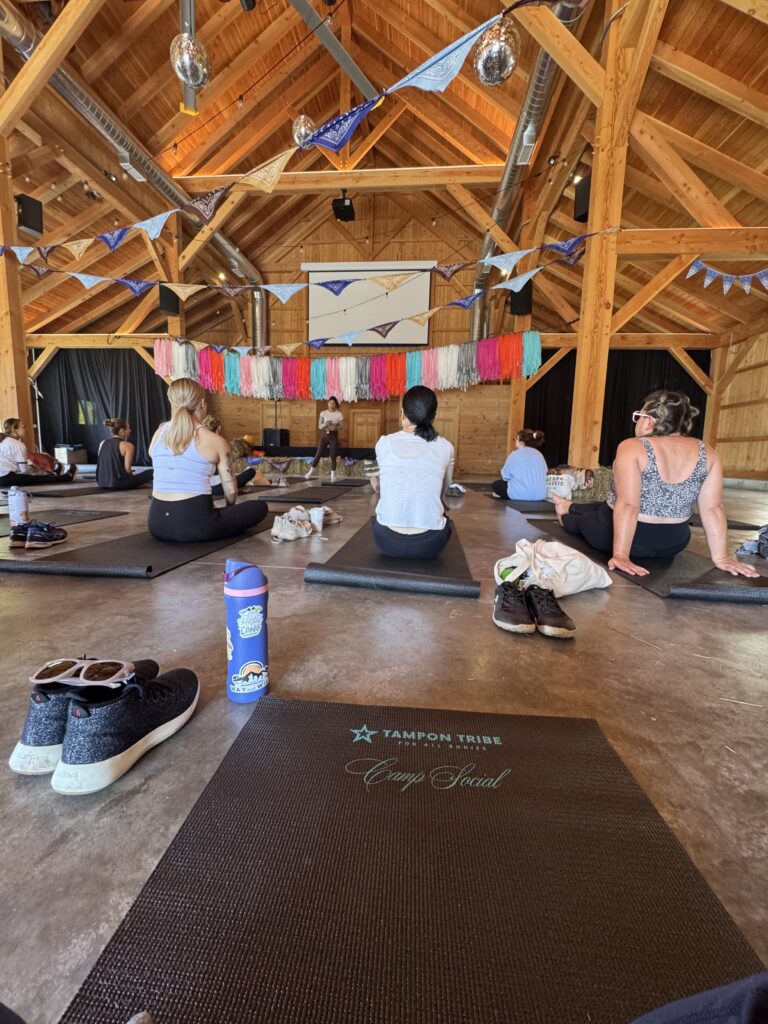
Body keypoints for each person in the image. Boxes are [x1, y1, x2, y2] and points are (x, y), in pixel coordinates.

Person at [554, 389, 760, 578]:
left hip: (629, 540)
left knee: (584, 522)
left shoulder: (632, 447)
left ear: (649, 422)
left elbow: (629, 505)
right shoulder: (709, 453)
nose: (637, 421)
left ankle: (565, 513)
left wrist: (621, 555)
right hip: (674, 542)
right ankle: (569, 505)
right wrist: (722, 557)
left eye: (639, 416)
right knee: (603, 506)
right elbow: (713, 508)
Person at [147, 379, 267, 543]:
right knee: (259, 507)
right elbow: (231, 492)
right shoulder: (214, 440)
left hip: (156, 524)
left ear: (171, 402)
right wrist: (228, 512)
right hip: (195, 526)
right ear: (203, 404)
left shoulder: (159, 433)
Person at [372, 385, 454, 560]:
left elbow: (381, 484)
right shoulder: (445, 447)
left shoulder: (383, 443)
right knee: (446, 519)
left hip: (385, 541)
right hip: (429, 544)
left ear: (402, 412)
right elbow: (444, 491)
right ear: (434, 416)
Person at [0, 419, 77, 487]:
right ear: (14, 430)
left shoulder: (3, 441)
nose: (26, 429)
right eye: (23, 427)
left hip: (3, 478)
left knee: (36, 477)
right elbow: (24, 471)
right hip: (6, 478)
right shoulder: (17, 444)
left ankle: (53, 475)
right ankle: (67, 477)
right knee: (37, 479)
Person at [201, 415, 256, 495]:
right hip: (212, 486)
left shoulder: (198, 444)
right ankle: (237, 489)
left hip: (208, 483)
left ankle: (237, 488)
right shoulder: (217, 445)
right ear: (217, 431)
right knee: (251, 472)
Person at [96, 418, 153, 490]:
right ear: (122, 431)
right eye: (128, 428)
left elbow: (103, 464)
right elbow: (128, 470)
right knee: (152, 472)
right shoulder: (128, 446)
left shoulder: (102, 443)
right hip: (119, 484)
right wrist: (134, 481)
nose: (130, 430)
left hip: (101, 483)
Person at [492, 429, 548, 500]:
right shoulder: (539, 454)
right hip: (541, 495)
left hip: (522, 494)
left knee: (496, 484)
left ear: (521, 443)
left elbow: (505, 476)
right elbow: (546, 473)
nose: (515, 440)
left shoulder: (515, 454)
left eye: (516, 439)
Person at [305, 397, 343, 482]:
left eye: (333, 403)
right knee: (318, 454)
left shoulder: (339, 414)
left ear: (336, 404)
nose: (331, 405)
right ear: (328, 403)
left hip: (334, 434)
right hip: (325, 434)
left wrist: (336, 426)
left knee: (333, 455)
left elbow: (341, 427)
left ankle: (332, 475)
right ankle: (310, 472)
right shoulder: (323, 413)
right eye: (330, 403)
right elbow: (320, 426)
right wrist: (326, 424)